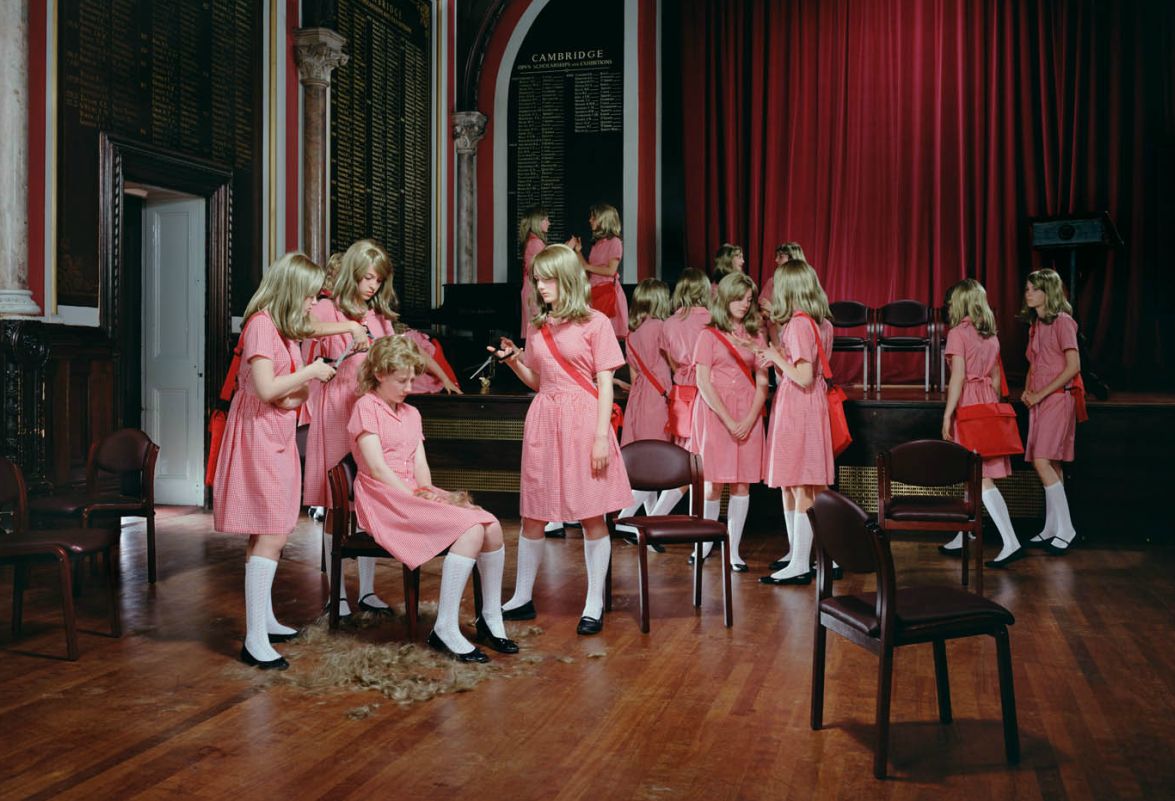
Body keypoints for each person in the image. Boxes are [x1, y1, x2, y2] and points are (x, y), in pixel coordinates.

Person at [213, 252, 357, 670]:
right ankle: (254, 639)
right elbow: (265, 388)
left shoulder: (281, 325)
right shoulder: (261, 325)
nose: (314, 303)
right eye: (310, 295)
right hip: (258, 436)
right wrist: (312, 372)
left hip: (274, 432)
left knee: (266, 530)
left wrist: (349, 328)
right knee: (273, 530)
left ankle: (264, 621)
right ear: (292, 290)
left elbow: (310, 330)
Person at [303, 239, 459, 620]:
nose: (372, 286)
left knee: (369, 494)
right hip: (337, 406)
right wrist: (348, 327)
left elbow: (388, 354)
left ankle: (368, 591)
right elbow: (303, 327)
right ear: (352, 273)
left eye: (378, 279)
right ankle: (337, 594)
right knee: (336, 503)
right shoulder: (326, 307)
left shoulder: (378, 315)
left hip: (371, 406)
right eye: (367, 277)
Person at [490, 244, 633, 635]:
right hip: (544, 419)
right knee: (534, 512)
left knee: (591, 514)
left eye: (547, 279)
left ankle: (593, 603)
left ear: (567, 278)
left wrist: (601, 437)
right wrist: (514, 361)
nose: (540, 286)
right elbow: (540, 381)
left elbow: (605, 385)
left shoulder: (596, 323)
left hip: (584, 420)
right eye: (537, 279)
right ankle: (521, 597)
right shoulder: (538, 325)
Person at [346, 335, 517, 661]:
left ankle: (490, 617)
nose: (410, 387)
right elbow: (378, 469)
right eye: (402, 380)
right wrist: (416, 498)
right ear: (379, 373)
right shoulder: (365, 407)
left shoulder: (411, 413)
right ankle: (445, 628)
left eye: (413, 379)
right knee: (470, 529)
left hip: (413, 491)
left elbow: (421, 468)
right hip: (384, 498)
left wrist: (429, 494)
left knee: (492, 525)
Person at [757, 259, 835, 585]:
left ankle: (801, 562)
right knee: (792, 481)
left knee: (801, 482)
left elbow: (803, 376)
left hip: (800, 405)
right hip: (801, 404)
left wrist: (776, 356)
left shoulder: (800, 325)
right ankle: (798, 555)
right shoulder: (814, 323)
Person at [939, 278, 1024, 568]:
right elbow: (997, 380)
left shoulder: (957, 334)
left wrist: (948, 414)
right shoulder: (991, 336)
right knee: (972, 473)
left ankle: (1010, 541)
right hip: (987, 399)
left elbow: (958, 378)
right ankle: (964, 534)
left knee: (980, 474)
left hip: (969, 402)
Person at [691, 272, 769, 571]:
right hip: (715, 413)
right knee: (712, 484)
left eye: (748, 299)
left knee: (741, 484)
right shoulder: (708, 335)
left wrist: (749, 419)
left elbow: (763, 383)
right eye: (739, 298)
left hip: (747, 410)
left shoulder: (756, 335)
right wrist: (728, 419)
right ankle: (703, 544)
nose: (744, 304)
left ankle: (733, 550)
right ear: (725, 298)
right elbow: (703, 382)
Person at [1021, 268, 1083, 554]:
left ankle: (1066, 529)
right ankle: (1051, 527)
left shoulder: (1064, 322)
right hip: (1040, 401)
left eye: (1034, 289)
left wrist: (1040, 394)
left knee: (1042, 461)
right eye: (1027, 289)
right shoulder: (1036, 324)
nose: (1028, 293)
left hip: (1057, 399)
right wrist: (1027, 390)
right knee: (1052, 464)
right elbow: (1034, 364)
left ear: (1049, 292)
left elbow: (1073, 367)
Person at [646, 268, 713, 518]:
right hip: (707, 391)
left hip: (682, 392)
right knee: (703, 463)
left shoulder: (669, 324)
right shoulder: (713, 319)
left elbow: (673, 363)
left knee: (686, 460)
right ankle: (664, 519)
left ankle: (656, 518)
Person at [615, 279, 673, 528]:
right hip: (657, 399)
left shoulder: (631, 334)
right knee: (655, 464)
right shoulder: (662, 328)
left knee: (645, 463)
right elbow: (674, 363)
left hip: (638, 400)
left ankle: (648, 527)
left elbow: (635, 376)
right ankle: (624, 518)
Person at [571, 203, 628, 339]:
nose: (590, 220)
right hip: (594, 293)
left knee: (605, 336)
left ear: (604, 219)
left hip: (607, 294)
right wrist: (578, 252)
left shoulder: (615, 242)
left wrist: (587, 267)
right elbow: (586, 267)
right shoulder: (597, 243)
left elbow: (611, 271)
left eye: (593, 218)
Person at [518, 206, 549, 341]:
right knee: (536, 332)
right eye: (546, 220)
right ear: (537, 221)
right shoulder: (536, 243)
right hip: (533, 291)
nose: (549, 223)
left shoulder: (531, 241)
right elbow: (546, 268)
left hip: (530, 290)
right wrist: (567, 250)